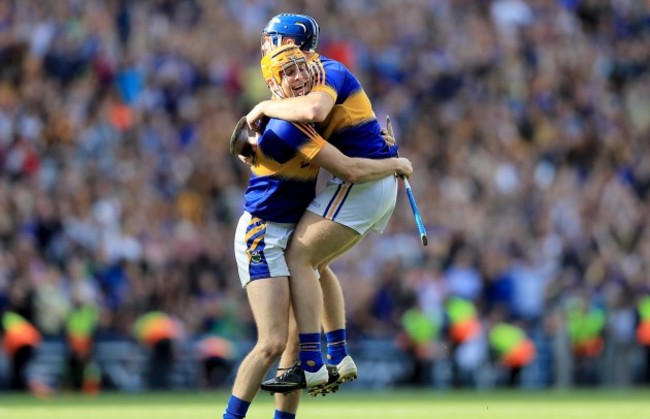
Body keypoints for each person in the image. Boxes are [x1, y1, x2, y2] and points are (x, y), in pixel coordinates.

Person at [222, 44, 412, 419]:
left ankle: (329, 360)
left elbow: (333, 124)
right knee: (273, 342)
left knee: (297, 327)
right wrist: (394, 162)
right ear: (274, 84)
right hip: (262, 236)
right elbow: (348, 169)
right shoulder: (285, 126)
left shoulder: (298, 118)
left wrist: (373, 141)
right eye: (287, 74)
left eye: (300, 69)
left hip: (286, 230)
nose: (298, 78)